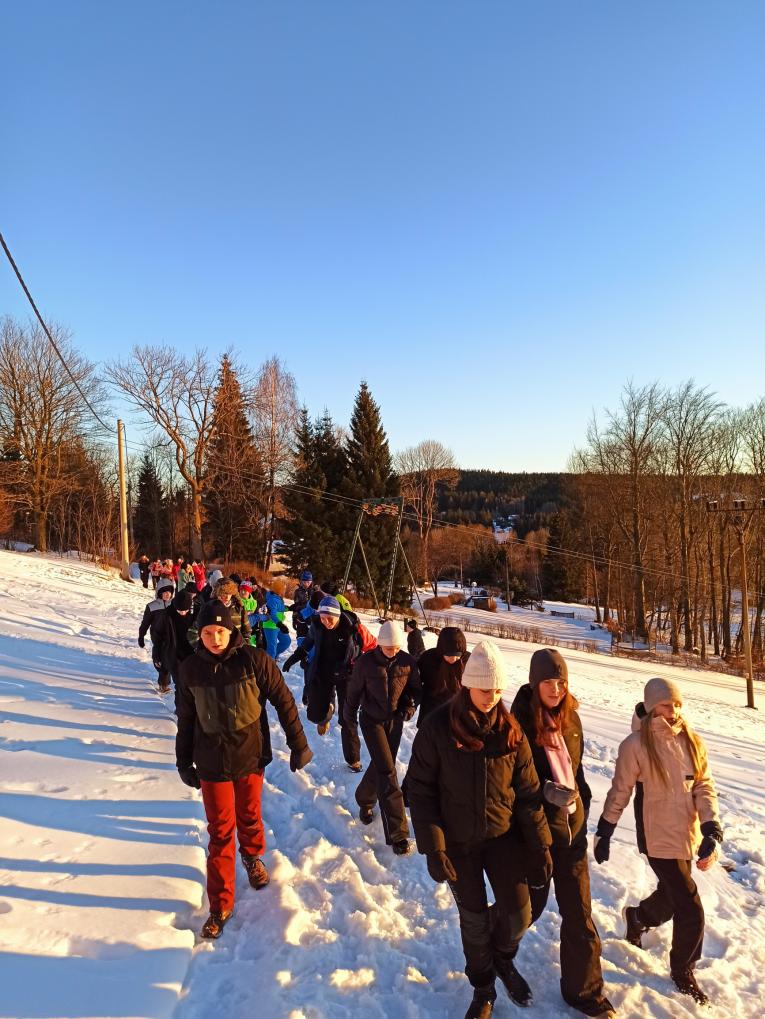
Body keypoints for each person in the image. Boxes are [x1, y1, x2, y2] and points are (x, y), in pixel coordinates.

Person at [406, 640, 553, 1019]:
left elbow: (529, 794)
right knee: (473, 922)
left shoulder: (511, 731)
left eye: (498, 689)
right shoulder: (437, 727)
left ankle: (503, 957)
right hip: (458, 843)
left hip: (502, 839)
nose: (492, 697)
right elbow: (419, 790)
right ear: (468, 684)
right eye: (485, 689)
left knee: (519, 915)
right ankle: (483, 987)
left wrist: (540, 846)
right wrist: (434, 847)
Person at [176, 599, 313, 940]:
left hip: (249, 756)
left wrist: (299, 744)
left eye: (220, 631)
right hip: (211, 763)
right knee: (220, 832)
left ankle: (252, 857)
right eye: (208, 632)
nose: (215, 639)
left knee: (249, 814)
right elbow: (186, 719)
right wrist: (183, 760)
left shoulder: (254, 661)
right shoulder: (190, 669)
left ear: (231, 630)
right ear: (200, 634)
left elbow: (284, 700)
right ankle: (220, 904)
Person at [593, 677, 723, 1006]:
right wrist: (605, 829)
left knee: (671, 894)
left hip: (686, 835)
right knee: (690, 907)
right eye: (666, 705)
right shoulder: (636, 745)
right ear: (651, 707)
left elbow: (703, 786)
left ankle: (638, 918)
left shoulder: (692, 741)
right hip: (655, 837)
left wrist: (710, 827)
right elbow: (620, 791)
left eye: (677, 704)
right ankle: (683, 970)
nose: (674, 710)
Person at [511, 649, 615, 1018]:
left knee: (579, 913)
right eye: (548, 682)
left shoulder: (571, 719)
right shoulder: (518, 724)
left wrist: (581, 801)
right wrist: (545, 792)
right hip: (536, 836)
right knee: (526, 910)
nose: (556, 689)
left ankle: (585, 993)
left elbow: (577, 768)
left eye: (561, 681)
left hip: (571, 832)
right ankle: (488, 948)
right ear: (534, 683)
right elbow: (512, 783)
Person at [344, 619, 421, 855]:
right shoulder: (366, 662)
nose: (393, 652)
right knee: (388, 771)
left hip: (394, 722)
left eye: (396, 648)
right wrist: (349, 720)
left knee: (381, 765)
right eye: (388, 648)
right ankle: (398, 833)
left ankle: (364, 798)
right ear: (379, 645)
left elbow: (415, 690)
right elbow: (353, 692)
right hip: (372, 721)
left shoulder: (407, 661)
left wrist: (409, 707)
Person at [293, 596, 376, 770]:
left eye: (329, 618)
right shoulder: (317, 625)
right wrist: (297, 655)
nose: (326, 622)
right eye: (322, 618)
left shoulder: (354, 628)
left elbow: (374, 646)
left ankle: (353, 759)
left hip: (348, 676)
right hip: (324, 672)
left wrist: (370, 667)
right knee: (314, 715)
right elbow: (309, 641)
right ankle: (326, 713)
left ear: (337, 615)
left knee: (347, 718)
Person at [151, 589, 196, 710]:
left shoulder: (195, 613)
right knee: (180, 684)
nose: (183, 613)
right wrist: (156, 655)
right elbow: (157, 636)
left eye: (185, 610)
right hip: (173, 654)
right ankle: (181, 711)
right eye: (180, 610)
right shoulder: (166, 615)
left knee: (192, 684)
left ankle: (191, 710)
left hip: (191, 654)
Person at [416, 626, 470, 726]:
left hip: (458, 712)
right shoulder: (428, 658)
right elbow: (415, 682)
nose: (453, 659)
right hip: (431, 711)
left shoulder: (469, 661)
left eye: (457, 655)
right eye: (449, 655)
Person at [137, 578, 174, 690]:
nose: (167, 594)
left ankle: (164, 684)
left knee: (169, 660)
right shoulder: (152, 606)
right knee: (159, 661)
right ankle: (163, 683)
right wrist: (141, 636)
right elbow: (145, 623)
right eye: (164, 592)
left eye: (169, 591)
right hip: (158, 638)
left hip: (172, 637)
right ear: (159, 592)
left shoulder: (174, 605)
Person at [262, 578, 291, 661]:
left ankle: (272, 657)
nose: (284, 590)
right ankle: (269, 663)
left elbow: (279, 608)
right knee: (272, 648)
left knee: (286, 641)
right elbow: (272, 614)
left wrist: (288, 608)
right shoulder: (272, 599)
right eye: (283, 588)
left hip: (277, 625)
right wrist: (280, 625)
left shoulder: (278, 598)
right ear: (278, 589)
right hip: (270, 626)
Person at [291, 570, 316, 640]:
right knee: (301, 639)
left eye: (308, 582)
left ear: (311, 582)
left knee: (311, 640)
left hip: (311, 620)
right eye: (304, 582)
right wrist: (294, 618)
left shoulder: (314, 592)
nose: (306, 584)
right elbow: (296, 606)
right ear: (301, 582)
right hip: (300, 618)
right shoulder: (298, 592)